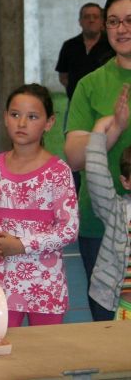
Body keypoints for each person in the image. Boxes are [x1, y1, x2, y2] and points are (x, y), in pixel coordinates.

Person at [0, 84, 79, 327]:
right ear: (5, 118)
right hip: (2, 285)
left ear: (49, 123)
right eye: (15, 114)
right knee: (3, 355)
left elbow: (68, 229)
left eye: (32, 117)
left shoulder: (58, 171)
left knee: (46, 359)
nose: (22, 123)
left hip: (45, 286)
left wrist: (21, 245)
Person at [64, 0, 131, 322]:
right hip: (100, 226)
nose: (122, 29)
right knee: (108, 329)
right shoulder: (90, 84)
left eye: (130, 19)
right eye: (114, 21)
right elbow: (75, 158)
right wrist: (113, 128)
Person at [85, 84, 131, 320]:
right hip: (114, 303)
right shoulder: (117, 211)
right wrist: (98, 131)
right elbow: (96, 175)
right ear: (125, 181)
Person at [55, 2, 114, 102]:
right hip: (76, 103)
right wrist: (77, 91)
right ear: (80, 21)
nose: (91, 20)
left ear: (102, 21)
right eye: (87, 17)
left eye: (95, 17)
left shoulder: (111, 46)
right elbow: (63, 77)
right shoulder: (69, 45)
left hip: (105, 102)